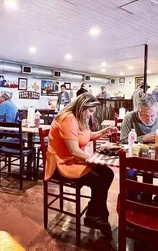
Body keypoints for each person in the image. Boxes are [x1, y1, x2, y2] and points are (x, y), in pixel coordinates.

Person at [46, 93, 118, 236]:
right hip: (61, 164)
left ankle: (94, 212)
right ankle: (98, 216)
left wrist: (104, 132)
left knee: (107, 173)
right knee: (99, 178)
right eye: (90, 111)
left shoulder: (78, 118)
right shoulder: (68, 119)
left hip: (72, 160)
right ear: (82, 107)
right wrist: (95, 160)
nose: (91, 115)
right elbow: (74, 151)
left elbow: (87, 136)